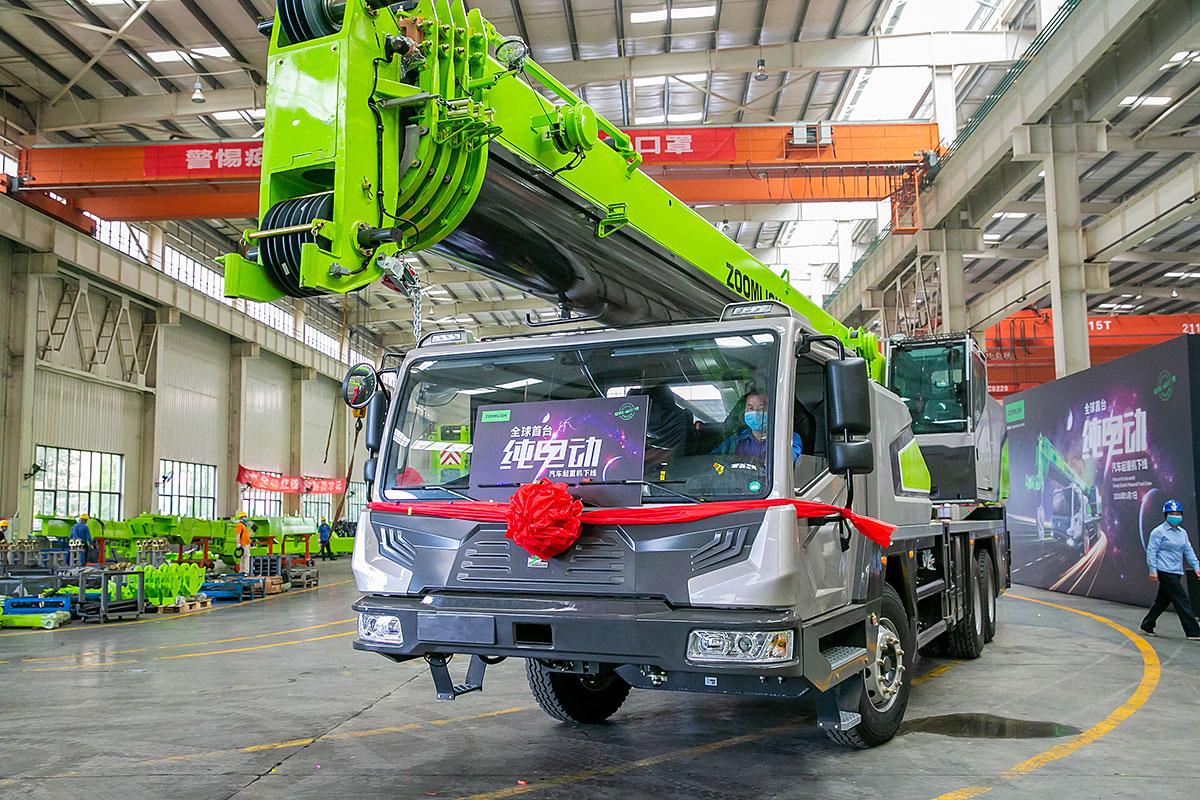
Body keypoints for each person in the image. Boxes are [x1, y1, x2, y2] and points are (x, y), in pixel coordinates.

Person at [1140, 499, 1200, 640]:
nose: (1175, 516)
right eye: (1172, 513)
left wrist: (1197, 567)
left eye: (1178, 513)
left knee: (1162, 600)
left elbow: (1188, 551)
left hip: (1176, 570)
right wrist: (1153, 570)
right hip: (1164, 570)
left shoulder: (1182, 533)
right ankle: (1193, 631)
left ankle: (1147, 624)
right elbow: (1152, 552)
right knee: (1182, 599)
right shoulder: (1158, 532)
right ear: (1166, 515)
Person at [713, 391, 802, 462]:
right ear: (744, 412)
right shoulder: (735, 439)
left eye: (761, 409)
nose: (755, 413)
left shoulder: (789, 437)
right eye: (750, 408)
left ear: (773, 411)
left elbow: (789, 461)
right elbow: (713, 459)